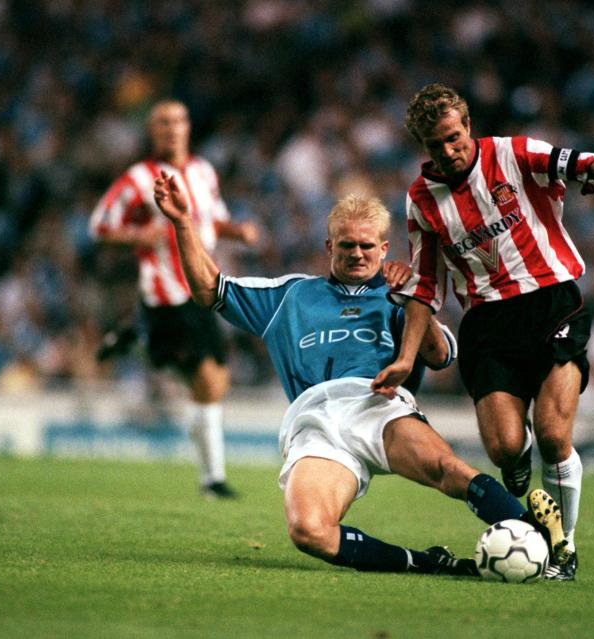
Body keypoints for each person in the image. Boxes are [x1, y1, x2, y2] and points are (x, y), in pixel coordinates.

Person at [153, 170, 570, 576]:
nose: (357, 254)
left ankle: (544, 540)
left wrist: (411, 299)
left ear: (384, 248)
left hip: (378, 405)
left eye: (367, 246)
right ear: (328, 246)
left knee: (451, 471)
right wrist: (182, 223)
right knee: (309, 531)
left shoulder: (401, 297)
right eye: (347, 245)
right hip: (314, 421)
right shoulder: (291, 295)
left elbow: (441, 355)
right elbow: (210, 289)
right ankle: (427, 563)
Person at [373, 83, 594, 580]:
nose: (449, 151)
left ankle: (562, 550)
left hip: (552, 301)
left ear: (468, 125)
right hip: (488, 323)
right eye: (437, 145)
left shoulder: (515, 154)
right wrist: (407, 358)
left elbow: (584, 162)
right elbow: (425, 288)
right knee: (502, 449)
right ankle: (516, 467)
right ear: (423, 147)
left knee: (555, 437)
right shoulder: (420, 201)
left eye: (454, 138)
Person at [89, 99, 259, 499]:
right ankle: (212, 480)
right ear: (152, 131)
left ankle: (141, 338)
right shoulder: (138, 177)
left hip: (203, 286)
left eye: (178, 120)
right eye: (163, 122)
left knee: (214, 382)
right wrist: (135, 235)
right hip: (166, 291)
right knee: (206, 380)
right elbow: (99, 225)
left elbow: (209, 221)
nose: (172, 128)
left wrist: (238, 232)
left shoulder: (203, 171)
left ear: (188, 127)